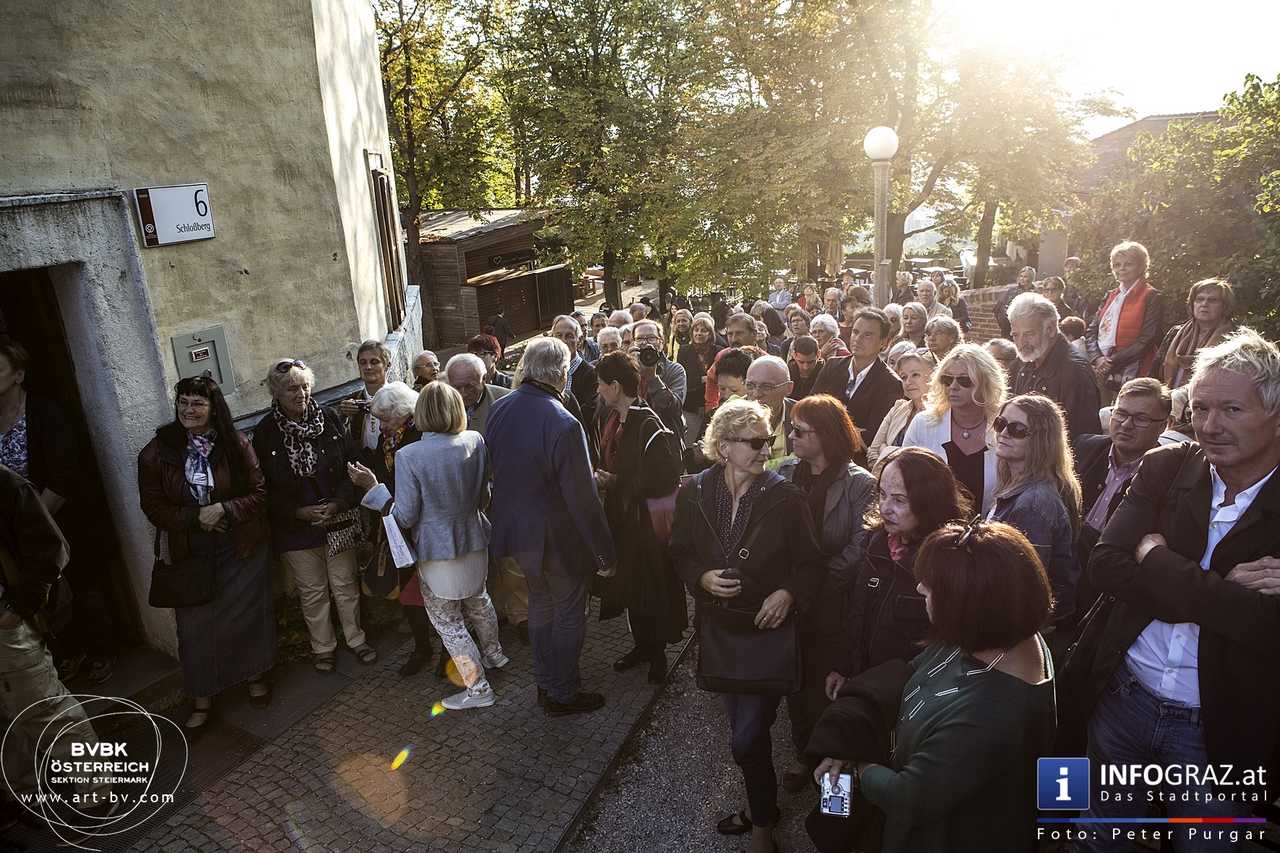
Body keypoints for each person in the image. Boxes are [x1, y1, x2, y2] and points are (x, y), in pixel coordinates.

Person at [1072, 329, 1280, 849]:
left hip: (1223, 728)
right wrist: (1223, 595)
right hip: (1123, 698)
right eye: (1202, 408)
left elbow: (1267, 627)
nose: (1211, 426)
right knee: (1099, 838)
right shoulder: (1167, 467)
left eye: (1232, 409)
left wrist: (1159, 559)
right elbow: (1105, 565)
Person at [808, 520, 1055, 853]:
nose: (920, 588)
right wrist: (848, 738)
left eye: (932, 584)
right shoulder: (990, 635)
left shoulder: (990, 714)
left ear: (973, 604)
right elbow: (912, 670)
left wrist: (858, 767)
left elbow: (908, 796)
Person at [669, 398, 824, 853]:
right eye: (755, 442)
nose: (766, 449)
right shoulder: (694, 492)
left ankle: (761, 826)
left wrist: (788, 593)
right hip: (719, 631)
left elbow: (812, 564)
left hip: (767, 632)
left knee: (746, 736)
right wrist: (699, 577)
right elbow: (679, 551)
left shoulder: (787, 497)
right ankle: (763, 809)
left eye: (767, 440)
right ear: (723, 447)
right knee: (743, 736)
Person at [349, 382, 507, 710]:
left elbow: (404, 516)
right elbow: (485, 497)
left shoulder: (410, 455)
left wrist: (376, 489)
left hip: (437, 550)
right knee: (480, 601)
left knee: (448, 623)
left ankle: (478, 689)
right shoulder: (475, 440)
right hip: (475, 539)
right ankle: (495, 656)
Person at [485, 338, 616, 716]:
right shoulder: (563, 421)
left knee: (541, 605)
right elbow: (583, 498)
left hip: (520, 534)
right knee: (569, 611)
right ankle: (563, 691)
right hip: (559, 538)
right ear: (561, 374)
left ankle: (546, 682)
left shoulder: (502, 407)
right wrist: (604, 552)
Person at [138, 376, 274, 728]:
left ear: (213, 407)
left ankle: (255, 677)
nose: (189, 410)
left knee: (246, 617)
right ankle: (202, 696)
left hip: (239, 544)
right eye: (183, 402)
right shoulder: (159, 450)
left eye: (197, 403)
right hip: (191, 551)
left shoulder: (235, 443)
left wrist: (225, 509)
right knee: (195, 628)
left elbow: (259, 494)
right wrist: (196, 517)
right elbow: (153, 506)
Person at [776, 395, 875, 793]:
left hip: (837, 606)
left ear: (828, 435)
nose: (791, 436)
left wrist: (811, 582)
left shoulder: (859, 485)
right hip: (795, 604)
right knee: (796, 688)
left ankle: (836, 781)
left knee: (832, 689)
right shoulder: (785, 473)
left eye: (801, 430)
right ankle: (806, 757)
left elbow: (861, 546)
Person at [0, 339, 113, 684]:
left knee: (83, 588)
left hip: (60, 520)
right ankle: (71, 653)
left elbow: (64, 477)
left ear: (18, 375)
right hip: (19, 530)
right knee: (45, 599)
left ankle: (101, 654)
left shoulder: (44, 413)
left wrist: (35, 524)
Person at [0, 464, 110, 817]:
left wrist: (18, 608)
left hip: (6, 623)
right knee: (4, 720)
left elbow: (51, 546)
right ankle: (23, 796)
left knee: (44, 707)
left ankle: (97, 792)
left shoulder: (5, 482)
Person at [253, 359, 374, 673]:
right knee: (313, 591)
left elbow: (353, 466)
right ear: (276, 392)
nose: (301, 393)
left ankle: (356, 639)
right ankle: (323, 647)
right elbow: (261, 486)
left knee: (345, 584)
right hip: (295, 527)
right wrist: (297, 512)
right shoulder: (266, 432)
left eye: (305, 386)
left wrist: (338, 503)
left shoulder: (330, 418)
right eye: (292, 388)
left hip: (338, 519)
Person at [827, 448, 971, 690]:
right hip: (864, 683)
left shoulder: (949, 560)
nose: (885, 508)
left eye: (899, 500)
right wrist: (843, 667)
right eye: (882, 495)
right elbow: (857, 613)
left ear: (928, 500)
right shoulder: (876, 542)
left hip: (910, 691)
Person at [593, 352, 686, 682]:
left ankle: (658, 654)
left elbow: (665, 478)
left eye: (602, 385)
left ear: (616, 386)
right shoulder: (616, 420)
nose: (599, 390)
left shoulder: (648, 422)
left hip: (647, 525)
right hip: (625, 519)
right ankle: (642, 646)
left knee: (652, 588)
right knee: (633, 588)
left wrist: (613, 481)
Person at [359, 382, 436, 677]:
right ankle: (421, 647)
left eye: (386, 419)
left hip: (422, 524)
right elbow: (385, 472)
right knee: (408, 591)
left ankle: (447, 651)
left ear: (404, 413)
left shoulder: (420, 436)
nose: (381, 426)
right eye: (377, 419)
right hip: (395, 522)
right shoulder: (389, 437)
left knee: (437, 591)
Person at [987, 394, 1082, 634]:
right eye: (1000, 424)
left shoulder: (1033, 503)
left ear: (1042, 440)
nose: (1004, 433)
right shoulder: (1017, 487)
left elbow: (1027, 588)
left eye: (1018, 429)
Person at [1073, 378, 1169, 608]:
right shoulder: (1085, 447)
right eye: (1120, 413)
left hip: (1106, 592)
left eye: (1141, 418)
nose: (1126, 424)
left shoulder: (1169, 476)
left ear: (1164, 426)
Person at [902, 344, 1006, 514]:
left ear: (986, 383)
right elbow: (905, 482)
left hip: (987, 531)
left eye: (964, 380)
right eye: (947, 379)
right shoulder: (923, 424)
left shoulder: (1003, 428)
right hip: (931, 530)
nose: (953, 386)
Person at [810, 308, 903, 466]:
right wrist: (851, 430)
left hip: (855, 466)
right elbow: (809, 411)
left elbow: (870, 437)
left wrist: (825, 424)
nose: (858, 339)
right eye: (855, 332)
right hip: (817, 456)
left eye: (868, 335)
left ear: (884, 342)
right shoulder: (832, 366)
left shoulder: (890, 383)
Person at [1007, 291, 1102, 440]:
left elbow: (1082, 438)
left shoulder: (1075, 372)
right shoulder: (1021, 363)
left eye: (1029, 334)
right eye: (1015, 335)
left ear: (1050, 329)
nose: (1021, 343)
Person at [1086, 241, 1165, 394]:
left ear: (1142, 266)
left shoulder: (1152, 296)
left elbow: (1148, 339)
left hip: (1136, 368)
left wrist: (1112, 361)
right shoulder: (1110, 295)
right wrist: (1097, 358)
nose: (1121, 268)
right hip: (1102, 367)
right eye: (1117, 265)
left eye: (1128, 264)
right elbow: (1091, 331)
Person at [1159, 277, 1235, 389]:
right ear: (1192, 304)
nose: (1204, 304)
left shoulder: (1233, 340)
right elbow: (1156, 371)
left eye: (1212, 300)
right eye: (1199, 299)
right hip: (1167, 399)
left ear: (1225, 306)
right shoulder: (1175, 333)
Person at [867, 352, 935, 468]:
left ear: (933, 376)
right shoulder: (898, 408)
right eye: (904, 377)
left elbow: (923, 464)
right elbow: (872, 451)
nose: (908, 382)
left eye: (915, 375)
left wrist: (886, 449)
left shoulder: (940, 415)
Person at [338, 339, 392, 461]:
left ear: (387, 365)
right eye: (363, 362)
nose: (368, 367)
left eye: (374, 362)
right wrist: (343, 416)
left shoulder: (399, 398)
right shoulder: (353, 400)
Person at [631, 319, 687, 435]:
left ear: (661, 343)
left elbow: (675, 409)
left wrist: (653, 378)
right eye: (640, 339)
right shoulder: (627, 368)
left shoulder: (675, 370)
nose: (645, 343)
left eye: (651, 338)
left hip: (665, 434)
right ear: (633, 343)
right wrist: (628, 367)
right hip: (634, 432)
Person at [677, 314, 723, 445]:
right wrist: (705, 379)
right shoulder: (684, 351)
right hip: (691, 406)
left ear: (710, 333)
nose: (699, 333)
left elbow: (721, 378)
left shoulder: (718, 351)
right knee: (690, 443)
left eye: (703, 330)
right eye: (696, 330)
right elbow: (683, 379)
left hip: (714, 405)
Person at [744, 355, 795, 469]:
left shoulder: (802, 416)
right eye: (750, 386)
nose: (756, 393)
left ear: (789, 388)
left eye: (766, 387)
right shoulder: (732, 417)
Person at [550, 315, 599, 427]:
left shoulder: (591, 374)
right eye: (558, 336)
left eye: (569, 336)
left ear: (579, 340)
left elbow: (589, 417)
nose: (563, 341)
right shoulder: (546, 372)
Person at [445, 353, 511, 435]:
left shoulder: (506, 401)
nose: (463, 394)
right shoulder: (439, 404)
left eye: (470, 386)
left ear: (484, 379)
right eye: (456, 388)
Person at [995, 265, 1036, 338]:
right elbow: (999, 308)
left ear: (1031, 278)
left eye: (1025, 277)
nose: (1022, 279)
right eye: (1021, 276)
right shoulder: (1011, 291)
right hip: (1010, 328)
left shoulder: (1035, 293)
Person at [788, 335, 823, 400]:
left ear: (818, 355)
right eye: (801, 362)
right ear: (794, 355)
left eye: (811, 362)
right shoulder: (786, 374)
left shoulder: (827, 373)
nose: (805, 367)